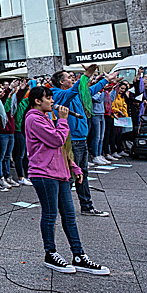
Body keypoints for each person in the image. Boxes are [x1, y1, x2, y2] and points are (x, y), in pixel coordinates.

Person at [24, 85, 109, 276]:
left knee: (69, 215)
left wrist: (73, 166)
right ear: (37, 101)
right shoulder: (33, 119)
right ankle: (50, 253)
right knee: (50, 214)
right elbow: (57, 140)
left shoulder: (46, 117)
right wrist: (63, 120)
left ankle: (78, 255)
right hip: (43, 173)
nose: (52, 101)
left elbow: (60, 148)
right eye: (48, 98)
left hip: (60, 171)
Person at [51, 66, 111, 217]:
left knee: (82, 174)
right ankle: (63, 208)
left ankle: (86, 206)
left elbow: (88, 91)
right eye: (69, 77)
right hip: (71, 141)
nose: (72, 79)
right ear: (61, 82)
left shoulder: (75, 92)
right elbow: (74, 90)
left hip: (81, 140)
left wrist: (106, 80)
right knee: (71, 176)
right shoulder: (58, 94)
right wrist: (85, 76)